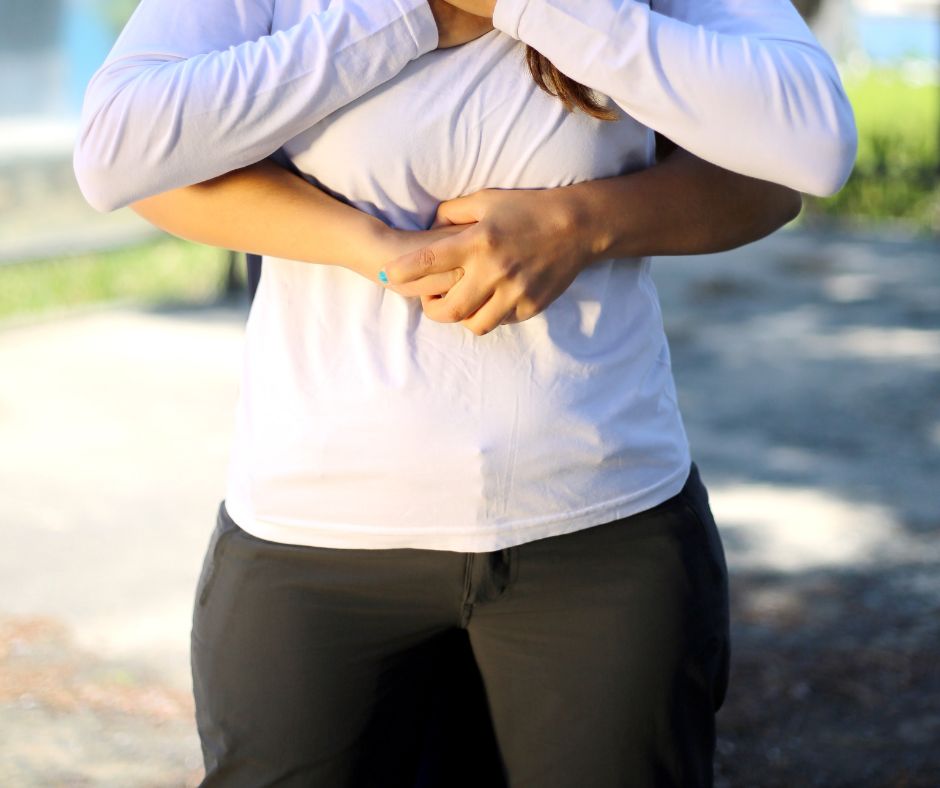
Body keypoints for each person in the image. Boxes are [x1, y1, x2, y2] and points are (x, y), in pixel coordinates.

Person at [73, 0, 856, 785]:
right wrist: (407, 22)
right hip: (313, 541)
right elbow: (122, 155)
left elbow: (806, 151)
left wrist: (578, 214)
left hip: (601, 527)